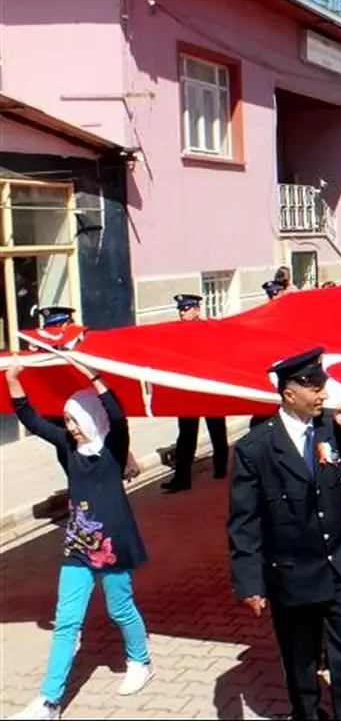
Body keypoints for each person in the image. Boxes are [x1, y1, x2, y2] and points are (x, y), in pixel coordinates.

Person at [227, 348, 341, 721]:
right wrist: (250, 582)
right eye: (314, 387)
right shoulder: (256, 448)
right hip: (293, 573)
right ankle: (308, 714)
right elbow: (244, 520)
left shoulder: (333, 428)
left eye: (323, 385)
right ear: (289, 393)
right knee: (301, 659)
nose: (323, 395)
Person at [6, 358, 153, 721]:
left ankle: (141, 661)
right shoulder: (69, 447)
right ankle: (49, 702)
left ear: (90, 418)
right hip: (78, 546)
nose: (70, 428)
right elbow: (31, 419)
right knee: (67, 621)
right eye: (67, 420)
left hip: (113, 546)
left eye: (75, 420)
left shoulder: (112, 449)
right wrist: (13, 379)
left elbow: (117, 416)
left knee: (121, 608)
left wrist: (94, 376)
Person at [161, 294, 230, 493]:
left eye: (187, 309)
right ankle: (182, 478)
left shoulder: (209, 330)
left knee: (216, 428)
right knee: (186, 434)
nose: (183, 313)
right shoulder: (176, 332)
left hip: (209, 388)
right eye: (181, 309)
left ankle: (220, 467)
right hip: (188, 390)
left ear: (197, 310)